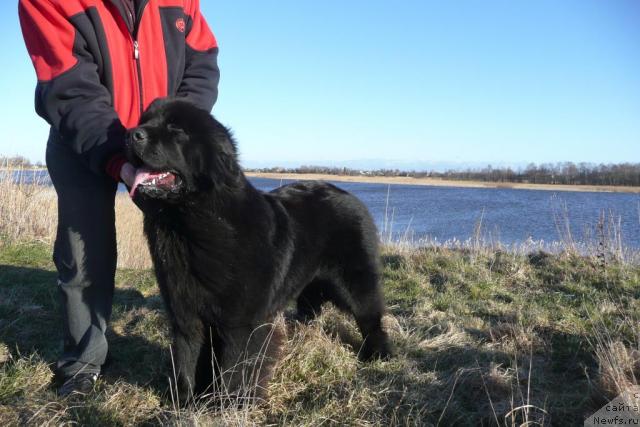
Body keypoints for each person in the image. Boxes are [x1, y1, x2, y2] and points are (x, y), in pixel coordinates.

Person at [18, 0, 220, 396]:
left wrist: (173, 132)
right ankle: (83, 360)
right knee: (84, 249)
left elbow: (203, 62)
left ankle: (202, 347)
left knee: (193, 241)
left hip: (159, 141)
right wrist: (121, 161)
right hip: (81, 138)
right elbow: (70, 88)